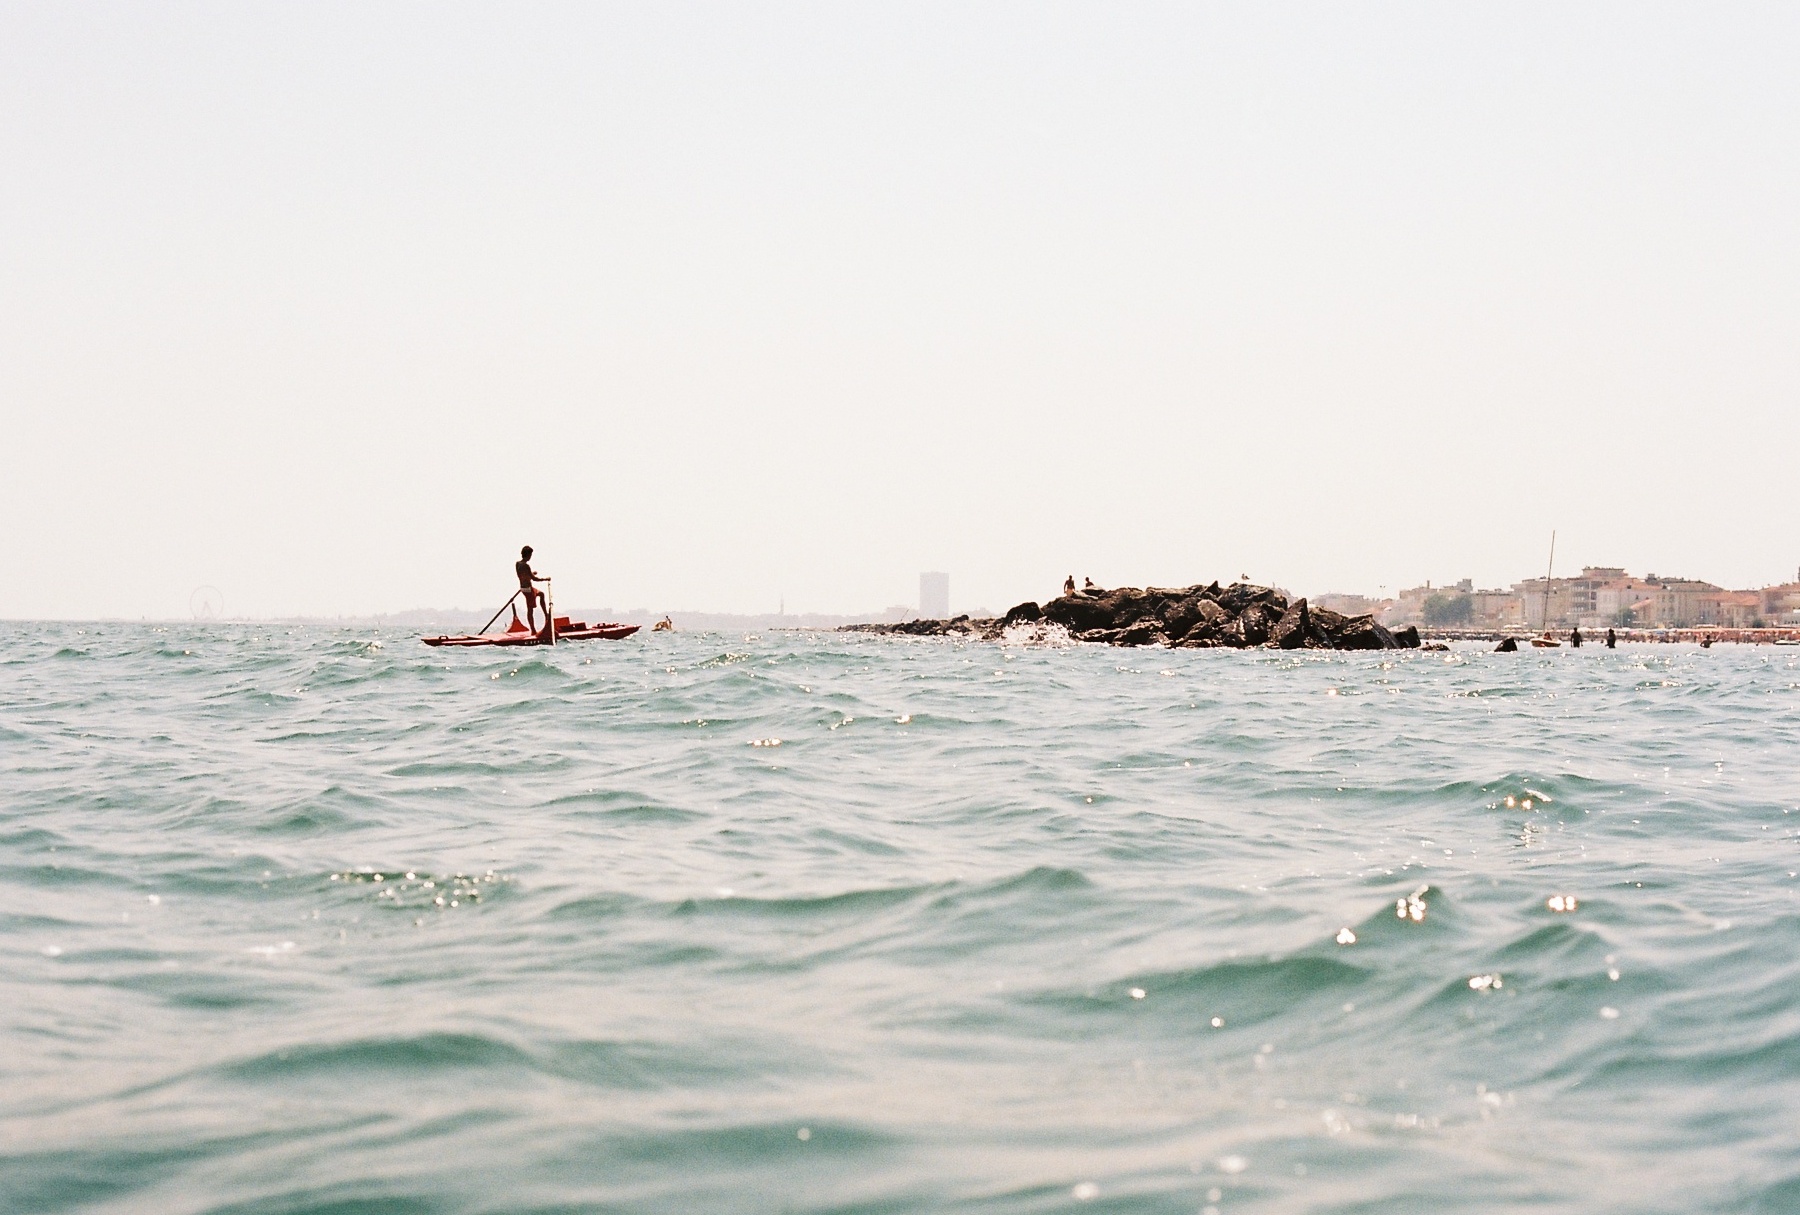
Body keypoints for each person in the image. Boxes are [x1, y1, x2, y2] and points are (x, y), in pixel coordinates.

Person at [515, 545, 549, 630]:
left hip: (524, 588)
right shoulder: (526, 566)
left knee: (541, 594)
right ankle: (533, 630)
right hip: (528, 590)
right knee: (530, 610)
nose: (530, 557)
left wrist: (531, 573)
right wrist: (545, 579)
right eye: (530, 555)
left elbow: (522, 576)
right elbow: (534, 579)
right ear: (527, 555)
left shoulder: (518, 564)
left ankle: (546, 615)